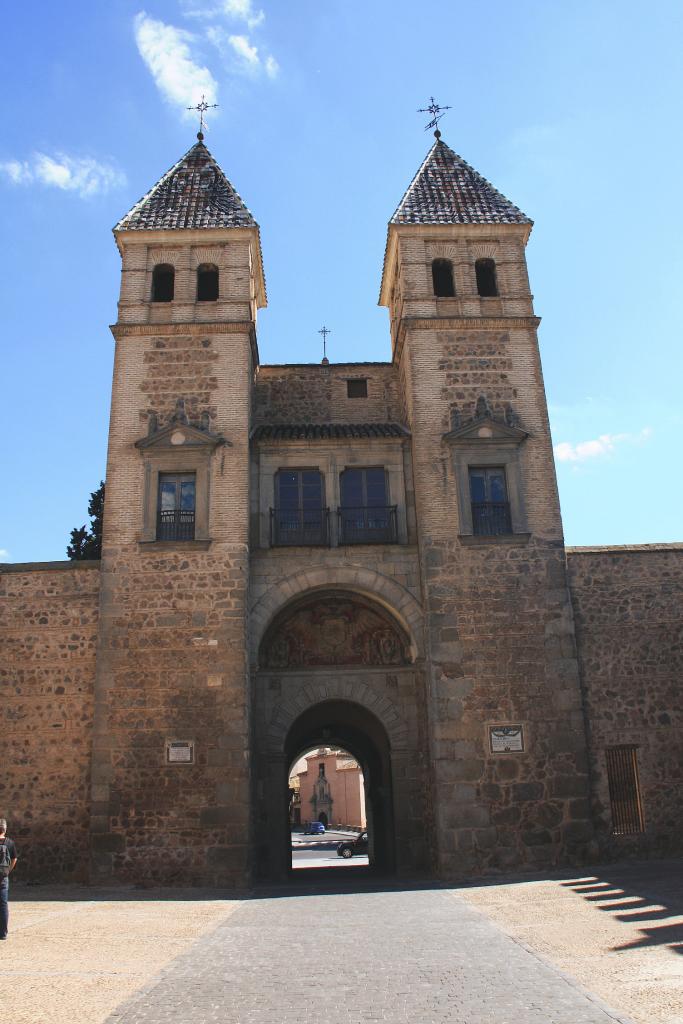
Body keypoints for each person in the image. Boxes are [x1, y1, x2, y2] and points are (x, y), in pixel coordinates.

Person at [0, 819, 18, 940]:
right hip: (3, 877)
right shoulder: (10, 843)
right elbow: (14, 858)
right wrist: (8, 871)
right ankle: (3, 933)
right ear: (5, 830)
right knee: (3, 905)